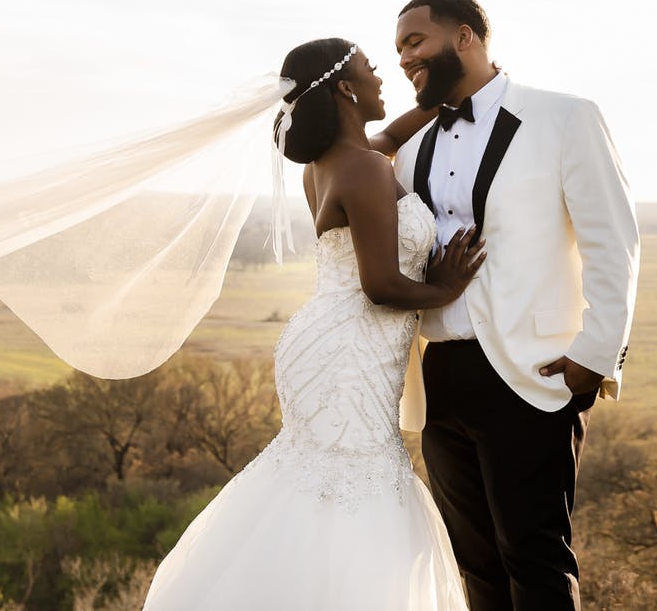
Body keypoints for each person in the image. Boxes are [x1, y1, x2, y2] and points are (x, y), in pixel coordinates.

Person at [143, 38, 481, 609]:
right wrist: (446, 288)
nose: (382, 79)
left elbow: (392, 137)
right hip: (352, 350)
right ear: (347, 88)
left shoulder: (332, 165)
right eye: (371, 71)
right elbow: (381, 286)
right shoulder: (365, 170)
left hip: (323, 341)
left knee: (319, 479)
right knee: (353, 482)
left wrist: (444, 95)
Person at [392, 0, 640, 609]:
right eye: (398, 49)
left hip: (534, 371)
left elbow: (614, 241)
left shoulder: (565, 118)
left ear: (466, 37)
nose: (404, 59)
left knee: (535, 559)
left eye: (415, 42)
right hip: (440, 374)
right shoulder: (412, 150)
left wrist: (598, 352)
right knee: (474, 563)